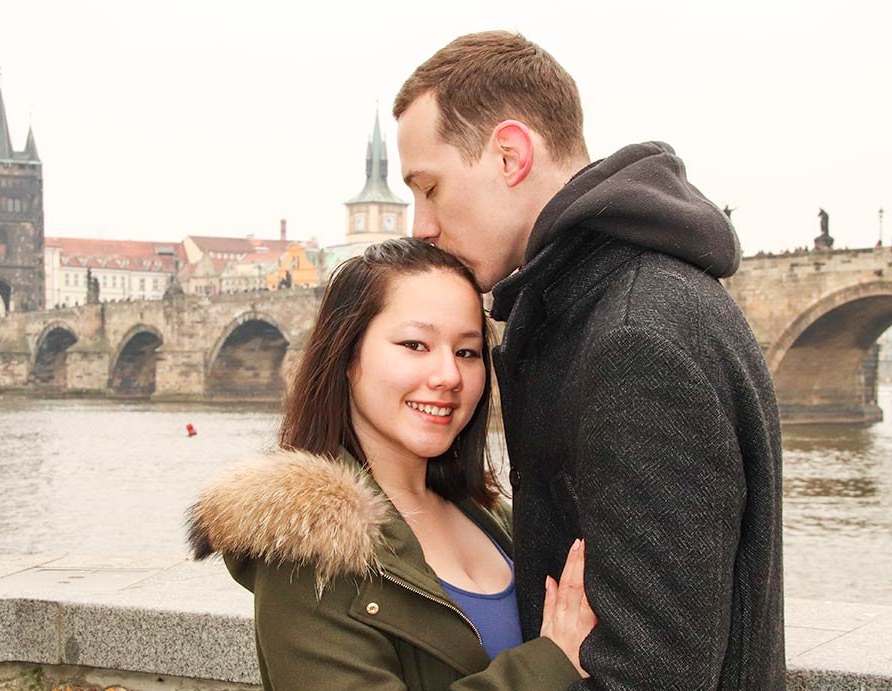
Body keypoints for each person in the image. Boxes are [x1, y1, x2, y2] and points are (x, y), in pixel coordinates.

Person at [393, 31, 785, 690]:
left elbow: (649, 674)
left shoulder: (633, 338)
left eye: (429, 188)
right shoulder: (606, 305)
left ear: (510, 154)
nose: (419, 224)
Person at [188, 238, 596, 690]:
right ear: (346, 356)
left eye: (467, 351)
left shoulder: (490, 514)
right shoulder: (309, 550)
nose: (448, 376)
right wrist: (550, 663)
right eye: (415, 344)